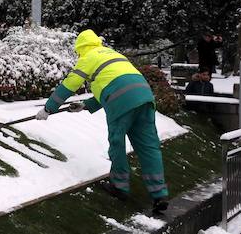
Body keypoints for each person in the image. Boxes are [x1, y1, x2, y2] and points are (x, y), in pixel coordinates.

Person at [35, 30, 169, 214]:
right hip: (144, 96)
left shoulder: (88, 57)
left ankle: (120, 187)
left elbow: (70, 83)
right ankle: (159, 194)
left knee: (117, 143)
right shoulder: (113, 54)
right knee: (148, 146)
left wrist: (49, 108)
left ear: (81, 48)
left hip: (121, 101)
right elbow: (115, 83)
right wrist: (85, 105)